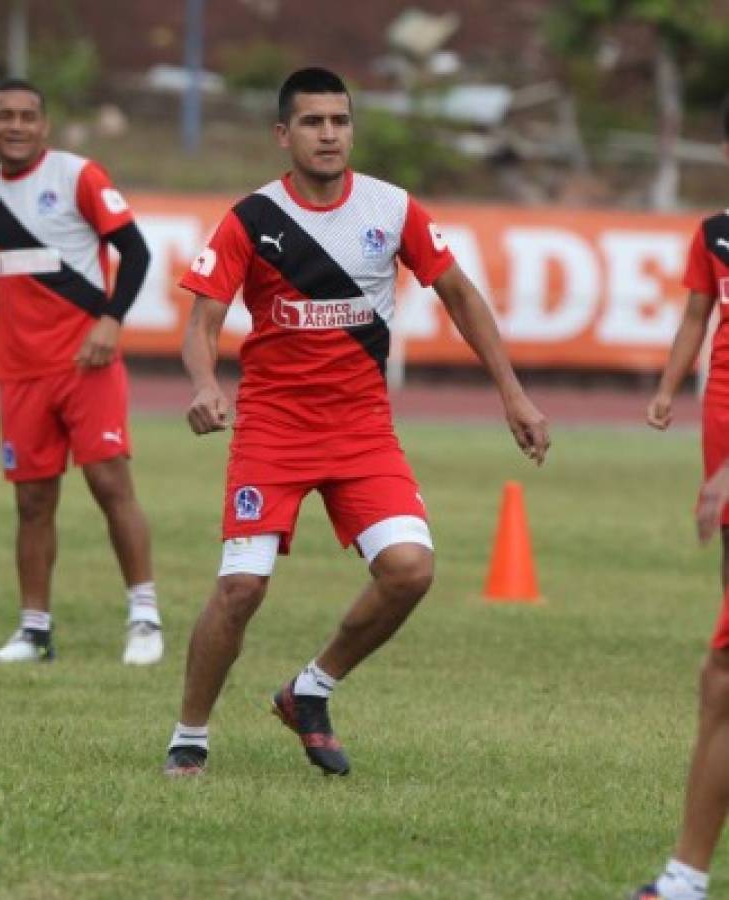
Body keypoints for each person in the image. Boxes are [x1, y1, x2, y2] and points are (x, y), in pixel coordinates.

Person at [163, 67, 549, 777]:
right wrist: (202, 383)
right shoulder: (251, 219)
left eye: (339, 120)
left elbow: (461, 296)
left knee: (411, 570)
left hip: (362, 430)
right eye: (312, 122)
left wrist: (513, 395)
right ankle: (189, 733)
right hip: (273, 431)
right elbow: (203, 321)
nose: (329, 133)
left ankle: (309, 690)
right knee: (242, 587)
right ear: (284, 135)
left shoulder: (391, 207)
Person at [0, 78, 163, 665]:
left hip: (85, 363)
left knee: (109, 485)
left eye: (28, 115)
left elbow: (139, 252)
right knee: (32, 503)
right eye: (5, 116)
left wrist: (111, 320)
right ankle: (34, 632)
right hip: (19, 374)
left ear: (43, 126)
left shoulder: (77, 177)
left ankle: (144, 618)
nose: (16, 125)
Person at [635, 98, 729, 899]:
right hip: (721, 419)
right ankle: (683, 879)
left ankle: (683, 880)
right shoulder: (716, 234)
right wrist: (671, 387)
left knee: (722, 681)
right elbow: (697, 314)